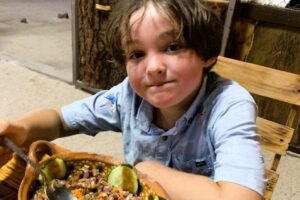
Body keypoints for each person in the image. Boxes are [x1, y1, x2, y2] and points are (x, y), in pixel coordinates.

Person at [0, 0, 265, 199]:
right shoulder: (127, 96)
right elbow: (59, 120)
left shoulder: (229, 106)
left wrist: (150, 170)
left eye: (172, 47)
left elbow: (241, 197)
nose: (153, 67)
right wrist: (22, 129)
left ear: (207, 53)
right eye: (137, 54)